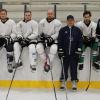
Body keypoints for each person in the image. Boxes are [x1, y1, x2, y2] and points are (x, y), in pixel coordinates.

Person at [58, 15, 83, 90]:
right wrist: (60, 50)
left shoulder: (77, 30)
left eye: (71, 20)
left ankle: (74, 82)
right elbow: (60, 41)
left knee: (73, 68)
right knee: (64, 67)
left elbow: (80, 41)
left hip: (73, 53)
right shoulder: (62, 30)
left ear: (74, 21)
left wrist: (79, 49)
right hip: (65, 53)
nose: (70, 21)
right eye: (69, 20)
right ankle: (63, 81)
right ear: (66, 21)